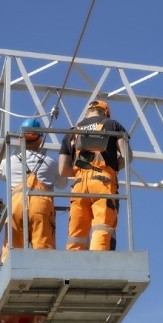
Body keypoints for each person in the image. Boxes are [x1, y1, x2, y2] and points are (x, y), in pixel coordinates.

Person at [58, 100, 131, 251]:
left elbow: (63, 170)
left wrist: (81, 171)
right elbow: (127, 156)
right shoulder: (112, 125)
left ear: (87, 113)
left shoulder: (72, 132)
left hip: (78, 185)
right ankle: (99, 263)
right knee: (102, 225)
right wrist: (114, 167)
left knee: (76, 232)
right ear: (105, 112)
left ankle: (74, 265)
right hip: (102, 182)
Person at [0, 118, 65, 259]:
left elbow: (0, 174)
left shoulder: (8, 162)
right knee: (43, 250)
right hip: (41, 206)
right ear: (40, 140)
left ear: (20, 139)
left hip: (15, 206)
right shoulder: (50, 163)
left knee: (13, 249)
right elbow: (62, 184)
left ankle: (10, 267)